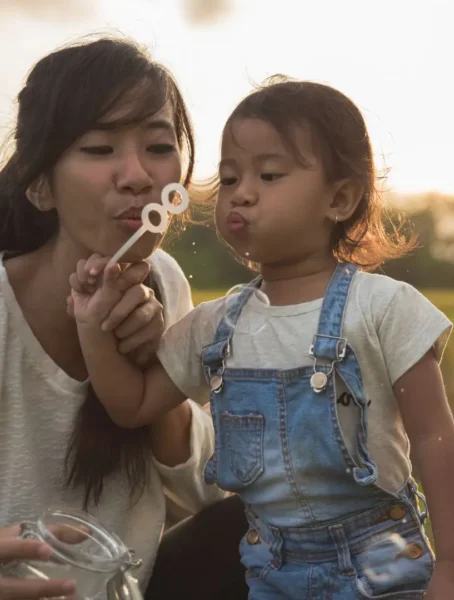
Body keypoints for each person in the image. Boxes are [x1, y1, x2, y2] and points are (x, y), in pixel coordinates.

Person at [70, 77, 454, 599]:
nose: (241, 192)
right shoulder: (216, 325)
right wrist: (92, 325)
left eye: (269, 175)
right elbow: (134, 404)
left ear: (340, 198)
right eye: (229, 177)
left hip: (382, 561)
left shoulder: (383, 307)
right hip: (270, 569)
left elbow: (434, 439)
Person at [0, 37, 248, 600]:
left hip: (126, 589)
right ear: (40, 185)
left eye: (158, 146)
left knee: (261, 531)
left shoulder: (162, 280)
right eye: (98, 148)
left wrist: (152, 379)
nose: (136, 175)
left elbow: (207, 494)